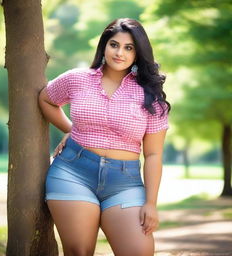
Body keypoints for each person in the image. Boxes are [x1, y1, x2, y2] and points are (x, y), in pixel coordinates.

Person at [39, 17, 170, 256]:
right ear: (104, 46)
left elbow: (153, 154)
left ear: (138, 53)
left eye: (128, 47)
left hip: (124, 182)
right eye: (114, 44)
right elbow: (46, 99)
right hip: (73, 172)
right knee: (79, 251)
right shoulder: (77, 79)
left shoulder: (150, 96)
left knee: (138, 252)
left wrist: (150, 203)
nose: (120, 53)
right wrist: (70, 129)